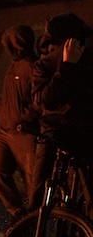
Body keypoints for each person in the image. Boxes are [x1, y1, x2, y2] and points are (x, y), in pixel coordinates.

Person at [29, 13, 93, 211]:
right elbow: (44, 100)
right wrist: (66, 66)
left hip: (83, 132)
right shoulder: (46, 64)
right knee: (38, 193)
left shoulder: (89, 62)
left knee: (87, 195)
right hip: (54, 131)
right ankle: (29, 231)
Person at [0, 25, 40, 218]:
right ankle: (18, 213)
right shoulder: (13, 65)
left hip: (24, 132)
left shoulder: (31, 66)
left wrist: (22, 119)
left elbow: (40, 100)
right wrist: (0, 108)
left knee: (32, 181)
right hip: (4, 131)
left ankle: (33, 224)